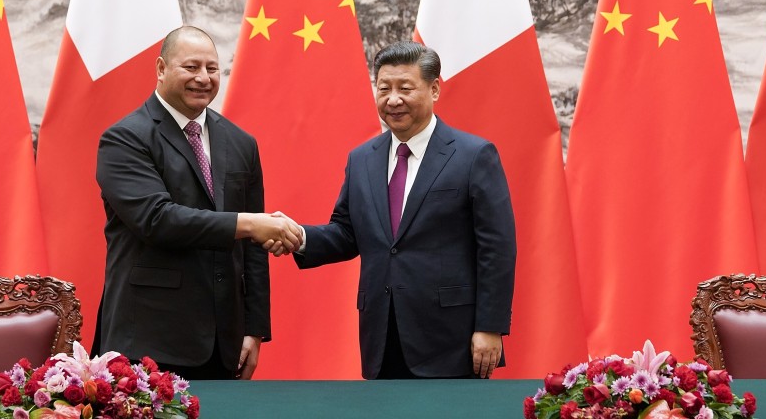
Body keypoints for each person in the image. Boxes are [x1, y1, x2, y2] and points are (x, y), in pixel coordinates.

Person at [286, 40, 516, 379]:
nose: (393, 99)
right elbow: (347, 233)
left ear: (434, 89)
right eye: (384, 89)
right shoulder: (361, 159)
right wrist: (297, 236)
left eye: (405, 88)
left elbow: (496, 248)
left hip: (452, 339)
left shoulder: (474, 155)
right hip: (382, 335)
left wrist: (490, 326)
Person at [96, 25, 301, 380]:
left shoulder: (241, 143)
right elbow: (157, 220)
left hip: (224, 344)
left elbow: (253, 251)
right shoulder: (125, 138)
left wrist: (254, 328)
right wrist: (251, 223)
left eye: (212, 68)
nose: (203, 78)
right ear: (161, 69)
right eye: (191, 67)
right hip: (147, 342)